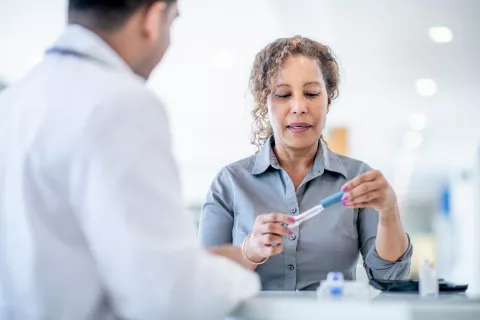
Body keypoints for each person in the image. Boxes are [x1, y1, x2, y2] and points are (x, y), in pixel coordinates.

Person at [0, 1, 260, 319]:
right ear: (152, 18)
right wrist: (241, 274)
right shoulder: (120, 102)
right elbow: (167, 296)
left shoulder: (13, 101)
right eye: (172, 22)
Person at [199, 36, 413, 291]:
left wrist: (389, 212)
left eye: (311, 93)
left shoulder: (357, 179)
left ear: (328, 101)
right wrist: (250, 251)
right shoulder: (230, 183)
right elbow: (202, 281)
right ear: (265, 104)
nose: (299, 107)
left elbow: (390, 278)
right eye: (283, 94)